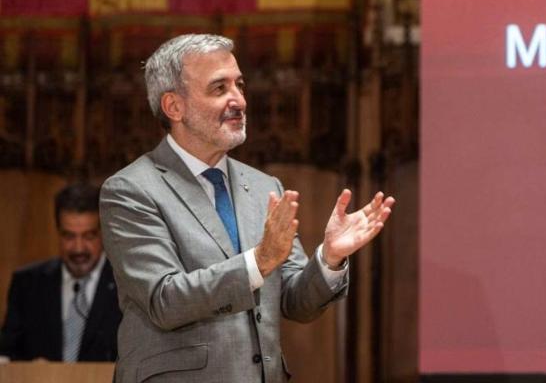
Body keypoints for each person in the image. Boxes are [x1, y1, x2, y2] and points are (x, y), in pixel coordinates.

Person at [100, 34, 395, 382]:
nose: (239, 100)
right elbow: (165, 299)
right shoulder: (130, 190)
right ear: (174, 107)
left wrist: (329, 259)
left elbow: (294, 302)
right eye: (219, 88)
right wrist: (259, 261)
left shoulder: (263, 187)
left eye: (239, 85)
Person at [0, 184, 121, 362]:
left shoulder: (126, 285)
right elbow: (6, 355)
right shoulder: (27, 284)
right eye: (69, 236)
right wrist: (27, 369)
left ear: (103, 233)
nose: (78, 248)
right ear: (57, 232)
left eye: (88, 236)